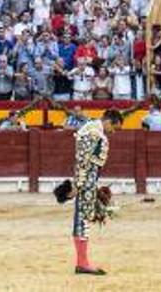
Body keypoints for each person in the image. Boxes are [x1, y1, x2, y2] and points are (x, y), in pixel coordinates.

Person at [68, 108, 120, 275]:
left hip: (89, 180)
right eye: (114, 127)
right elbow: (82, 160)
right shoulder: (93, 131)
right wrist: (78, 184)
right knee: (82, 221)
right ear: (108, 122)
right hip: (86, 182)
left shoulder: (94, 129)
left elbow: (86, 160)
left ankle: (82, 262)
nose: (113, 132)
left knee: (83, 220)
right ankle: (82, 264)